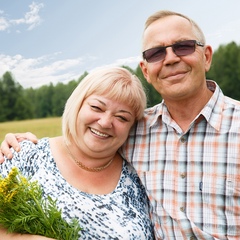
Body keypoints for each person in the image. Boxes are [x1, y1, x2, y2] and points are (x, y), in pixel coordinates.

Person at [1, 9, 240, 239]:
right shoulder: (138, 129)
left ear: (206, 56)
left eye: (183, 46)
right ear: (146, 70)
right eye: (156, 53)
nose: (170, 59)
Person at [0, 66, 155, 239]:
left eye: (122, 117)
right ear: (78, 105)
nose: (105, 122)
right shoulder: (25, 156)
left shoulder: (139, 178)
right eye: (97, 107)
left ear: (131, 127)